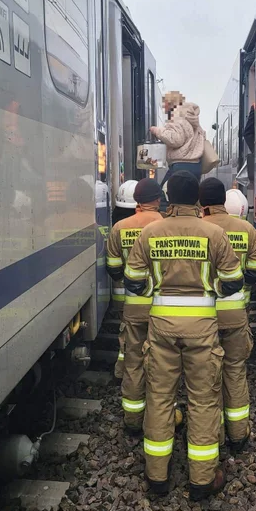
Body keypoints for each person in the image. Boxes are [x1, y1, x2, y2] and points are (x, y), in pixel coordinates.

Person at [124, 171, 244, 499]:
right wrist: (209, 290)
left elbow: (132, 280)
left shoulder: (150, 233)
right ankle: (202, 481)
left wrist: (158, 290)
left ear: (167, 198)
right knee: (203, 400)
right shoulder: (214, 233)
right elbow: (235, 281)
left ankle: (157, 477)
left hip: (161, 328)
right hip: (203, 331)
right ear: (197, 200)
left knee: (160, 397)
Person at [199, 180, 256, 451]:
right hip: (235, 313)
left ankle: (210, 435)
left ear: (202, 204)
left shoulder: (198, 230)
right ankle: (238, 434)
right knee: (235, 370)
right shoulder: (248, 229)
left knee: (205, 377)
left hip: (203, 317)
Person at [106, 179, 165, 432]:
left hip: (133, 306)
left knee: (133, 361)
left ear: (136, 201)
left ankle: (132, 419)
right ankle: (160, 416)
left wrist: (130, 285)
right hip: (163, 308)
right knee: (163, 363)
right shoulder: (168, 226)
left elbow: (113, 268)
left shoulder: (120, 227)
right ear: (158, 200)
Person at [150, 91, 205, 184]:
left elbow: (176, 139)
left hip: (180, 166)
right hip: (196, 166)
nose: (164, 108)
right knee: (188, 197)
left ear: (170, 103)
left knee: (163, 194)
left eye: (165, 104)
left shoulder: (177, 116)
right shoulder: (192, 120)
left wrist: (157, 131)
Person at [108, 181, 139, 314]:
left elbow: (113, 266)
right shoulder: (152, 227)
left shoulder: (116, 227)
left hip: (120, 297)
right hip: (146, 297)